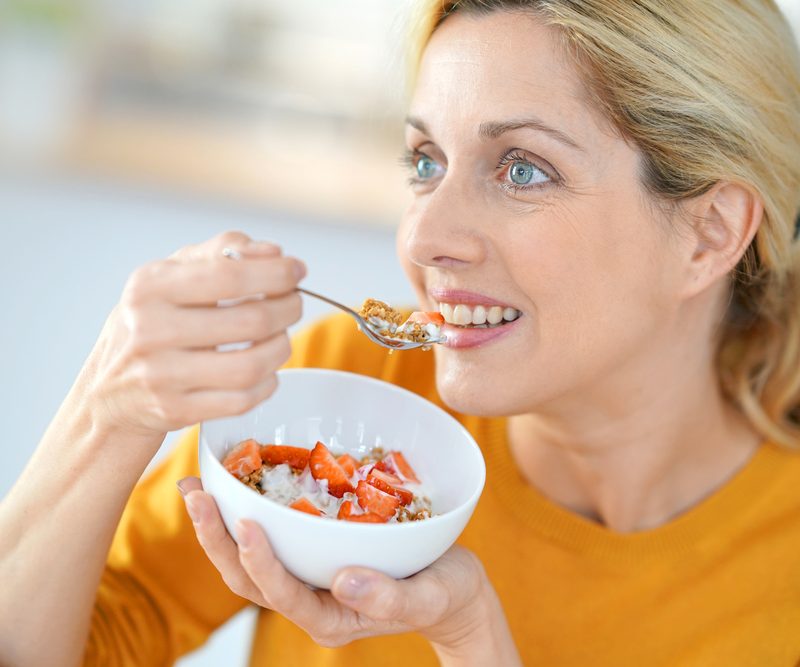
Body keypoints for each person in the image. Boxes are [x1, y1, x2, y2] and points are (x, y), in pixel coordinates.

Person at [2, 0, 800, 665]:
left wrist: (471, 636)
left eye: (522, 168)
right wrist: (104, 413)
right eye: (425, 161)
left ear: (709, 234)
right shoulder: (337, 407)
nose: (423, 239)